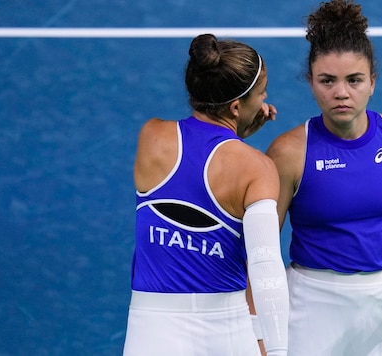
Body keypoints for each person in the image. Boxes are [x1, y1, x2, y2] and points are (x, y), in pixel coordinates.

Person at [265, 1, 382, 355]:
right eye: (327, 81)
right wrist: (260, 317)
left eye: (354, 80)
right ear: (311, 83)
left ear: (372, 83)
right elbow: (262, 245)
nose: (341, 92)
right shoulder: (288, 153)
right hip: (311, 305)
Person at [123, 33, 289, 356]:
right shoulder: (257, 168)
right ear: (237, 106)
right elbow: (266, 268)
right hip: (227, 332)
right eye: (262, 93)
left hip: (151, 333)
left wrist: (234, 132)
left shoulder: (152, 137)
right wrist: (278, 350)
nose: (265, 98)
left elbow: (203, 151)